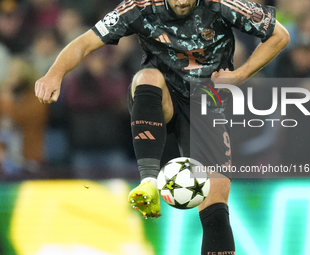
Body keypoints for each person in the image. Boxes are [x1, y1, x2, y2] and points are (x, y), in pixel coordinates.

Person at [35, 0, 289, 253]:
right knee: (147, 77)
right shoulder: (139, 6)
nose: (182, 2)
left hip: (207, 107)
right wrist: (54, 73)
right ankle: (148, 182)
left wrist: (240, 75)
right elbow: (85, 42)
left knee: (216, 209)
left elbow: (280, 35)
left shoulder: (222, 4)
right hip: (160, 101)